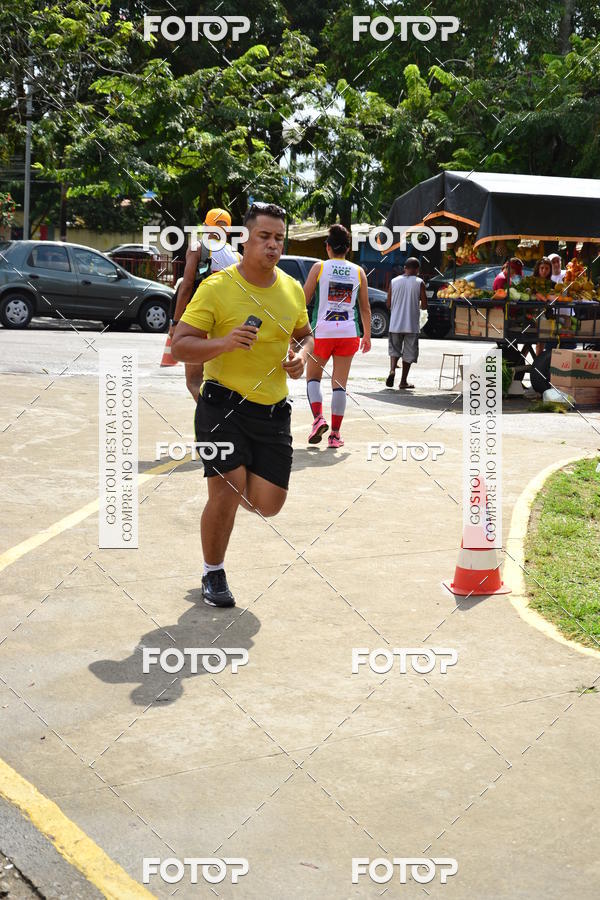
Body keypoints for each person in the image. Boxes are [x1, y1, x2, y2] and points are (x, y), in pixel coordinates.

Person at [171, 203, 313, 608]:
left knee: (269, 505)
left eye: (279, 238)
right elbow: (182, 344)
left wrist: (301, 357)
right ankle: (212, 572)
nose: (272, 245)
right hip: (222, 405)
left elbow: (305, 336)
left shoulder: (289, 288)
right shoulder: (218, 287)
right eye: (264, 236)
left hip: (272, 410)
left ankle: (233, 488)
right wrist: (224, 342)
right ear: (245, 239)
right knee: (227, 490)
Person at [301, 224, 371, 448]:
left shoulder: (319, 268)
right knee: (339, 384)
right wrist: (367, 336)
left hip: (322, 332)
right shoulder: (358, 271)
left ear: (328, 247)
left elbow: (303, 299)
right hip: (349, 332)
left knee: (313, 378)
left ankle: (318, 418)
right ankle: (335, 435)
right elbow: (365, 308)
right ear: (348, 248)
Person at [170, 208, 242, 402]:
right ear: (227, 231)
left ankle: (211, 419)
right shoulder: (237, 256)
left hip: (200, 322)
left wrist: (176, 322)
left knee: (194, 380)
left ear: (206, 226)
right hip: (227, 323)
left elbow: (186, 287)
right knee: (219, 380)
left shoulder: (198, 247)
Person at [385, 257, 427, 390]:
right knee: (409, 353)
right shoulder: (419, 282)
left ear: (405, 268)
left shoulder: (394, 281)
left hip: (395, 324)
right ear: (417, 270)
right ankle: (403, 381)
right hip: (411, 325)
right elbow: (425, 305)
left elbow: (388, 304)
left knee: (394, 349)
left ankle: (392, 370)